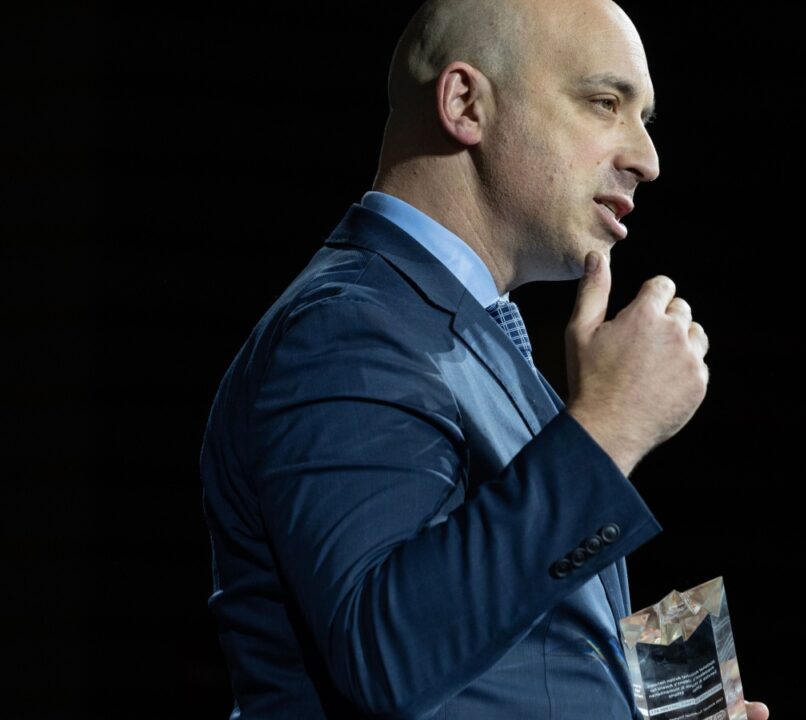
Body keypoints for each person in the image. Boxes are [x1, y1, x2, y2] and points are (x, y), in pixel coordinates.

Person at [199, 0, 770, 718]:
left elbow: (502, 660)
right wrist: (611, 426)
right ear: (465, 103)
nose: (647, 160)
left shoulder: (469, 335)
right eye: (605, 103)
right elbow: (391, 650)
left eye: (643, 118)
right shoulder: (346, 327)